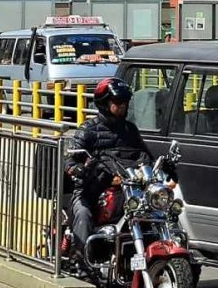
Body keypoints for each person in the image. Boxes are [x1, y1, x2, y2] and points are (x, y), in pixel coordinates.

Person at [62, 78, 158, 261]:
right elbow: (70, 159)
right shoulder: (88, 130)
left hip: (127, 190)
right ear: (105, 104)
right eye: (118, 103)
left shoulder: (130, 130)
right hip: (91, 190)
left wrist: (160, 170)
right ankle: (82, 262)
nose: (122, 107)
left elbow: (145, 155)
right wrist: (77, 169)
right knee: (83, 215)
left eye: (125, 103)